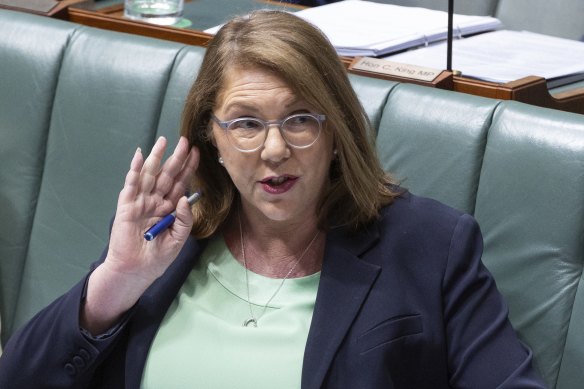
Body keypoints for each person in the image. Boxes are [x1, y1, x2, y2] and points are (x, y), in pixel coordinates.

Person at [0, 10, 546, 389]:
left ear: (336, 133)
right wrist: (115, 280)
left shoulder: (430, 244)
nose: (275, 149)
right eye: (245, 124)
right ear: (211, 137)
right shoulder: (168, 242)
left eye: (301, 119)